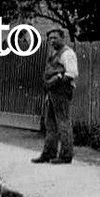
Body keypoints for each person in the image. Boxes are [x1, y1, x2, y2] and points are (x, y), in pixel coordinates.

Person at [32, 28, 77, 164]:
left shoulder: (67, 53)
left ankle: (66, 155)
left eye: (55, 38)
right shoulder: (54, 53)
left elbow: (72, 73)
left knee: (63, 123)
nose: (52, 40)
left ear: (63, 38)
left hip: (61, 91)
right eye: (50, 38)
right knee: (50, 123)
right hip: (52, 92)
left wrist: (57, 79)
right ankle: (49, 153)